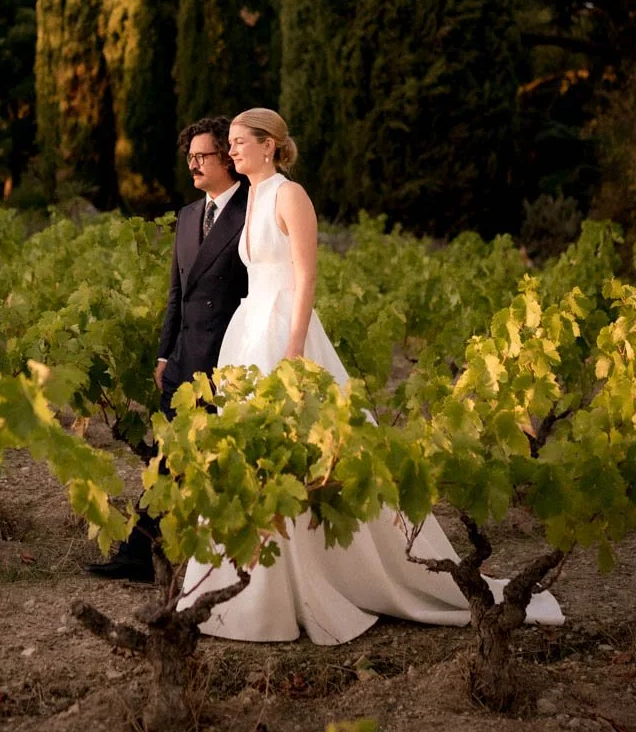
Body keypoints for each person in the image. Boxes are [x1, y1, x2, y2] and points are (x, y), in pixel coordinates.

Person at [177, 108, 564, 643]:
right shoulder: (252, 199)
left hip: (283, 333)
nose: (232, 150)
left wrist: (293, 346)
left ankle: (313, 580)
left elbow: (306, 275)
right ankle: (248, 579)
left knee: (303, 450)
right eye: (232, 143)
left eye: (241, 142)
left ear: (269, 145)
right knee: (250, 452)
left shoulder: (290, 195)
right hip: (247, 333)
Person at [88, 116, 248, 581]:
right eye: (190, 157)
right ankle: (141, 554)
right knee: (165, 458)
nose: (194, 165)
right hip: (182, 359)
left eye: (203, 156)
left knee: (217, 463)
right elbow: (176, 293)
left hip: (228, 359)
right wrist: (163, 354)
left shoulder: (252, 212)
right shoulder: (186, 216)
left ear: (228, 159)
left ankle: (215, 558)